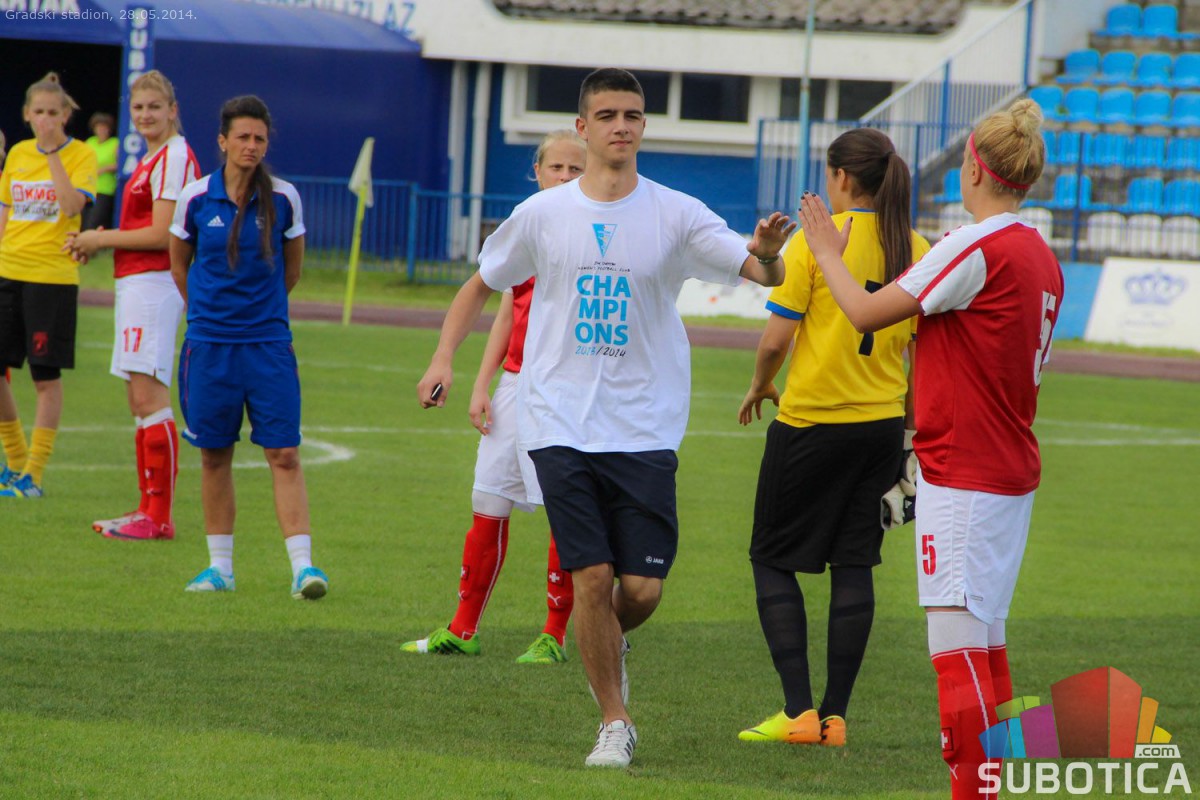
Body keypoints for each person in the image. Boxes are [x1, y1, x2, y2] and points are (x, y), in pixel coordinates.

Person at [417, 68, 796, 769]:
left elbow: (761, 272)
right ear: (583, 127)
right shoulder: (543, 214)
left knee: (641, 590)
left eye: (633, 115)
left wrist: (770, 254)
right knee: (590, 578)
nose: (622, 126)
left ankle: (604, 640)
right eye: (608, 115)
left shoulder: (676, 213)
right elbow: (481, 283)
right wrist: (443, 358)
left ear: (643, 125)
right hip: (556, 422)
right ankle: (614, 723)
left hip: (644, 426)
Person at [796, 99, 1063, 799]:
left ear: (973, 167)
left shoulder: (976, 247)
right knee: (987, 642)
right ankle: (988, 786)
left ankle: (973, 788)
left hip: (966, 473)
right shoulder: (1039, 252)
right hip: (1006, 468)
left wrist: (826, 252)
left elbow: (864, 312)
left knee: (956, 653)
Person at [736, 128, 930, 748]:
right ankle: (835, 719)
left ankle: (798, 712)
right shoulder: (916, 246)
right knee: (854, 564)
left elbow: (775, 340)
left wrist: (759, 385)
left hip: (813, 423)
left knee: (771, 557)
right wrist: (907, 434)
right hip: (880, 429)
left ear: (842, 177)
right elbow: (920, 358)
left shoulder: (815, 243)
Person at [402, 130, 585, 663]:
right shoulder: (523, 225)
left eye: (576, 169)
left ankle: (554, 634)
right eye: (556, 167)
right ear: (537, 172)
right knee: (487, 500)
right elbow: (507, 311)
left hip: (569, 392)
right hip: (515, 385)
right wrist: (482, 384)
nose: (565, 177)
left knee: (565, 513)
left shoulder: (595, 229)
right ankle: (463, 629)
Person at [168, 95, 328, 600]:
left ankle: (303, 569)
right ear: (223, 141)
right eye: (242, 137)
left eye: (260, 138)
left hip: (268, 347)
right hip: (209, 348)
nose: (252, 146)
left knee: (284, 453)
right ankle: (220, 569)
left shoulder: (284, 198)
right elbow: (179, 265)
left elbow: (292, 271)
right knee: (214, 455)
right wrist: (206, 314)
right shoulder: (195, 197)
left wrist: (260, 316)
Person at [67, 71, 200, 540]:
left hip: (156, 283)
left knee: (150, 397)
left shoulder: (175, 155)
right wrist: (100, 241)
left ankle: (158, 517)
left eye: (154, 106)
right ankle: (146, 508)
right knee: (137, 400)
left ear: (173, 110)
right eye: (138, 107)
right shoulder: (151, 157)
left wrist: (100, 238)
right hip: (136, 283)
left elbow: (162, 235)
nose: (145, 115)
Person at [0, 72, 98, 498]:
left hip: (51, 277)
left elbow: (72, 206)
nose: (44, 119)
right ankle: (14, 460)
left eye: (52, 113)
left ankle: (34, 475)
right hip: (9, 270)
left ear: (64, 116)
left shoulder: (81, 155)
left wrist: (53, 153)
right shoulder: (18, 154)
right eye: (38, 111)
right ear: (26, 114)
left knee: (44, 376)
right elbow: (6, 212)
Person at [82, 112, 118, 231]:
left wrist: (104, 169)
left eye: (104, 127)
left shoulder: (114, 143)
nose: (101, 130)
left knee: (94, 221)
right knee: (83, 221)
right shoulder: (90, 142)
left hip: (105, 190)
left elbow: (121, 165)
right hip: (88, 188)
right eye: (98, 127)